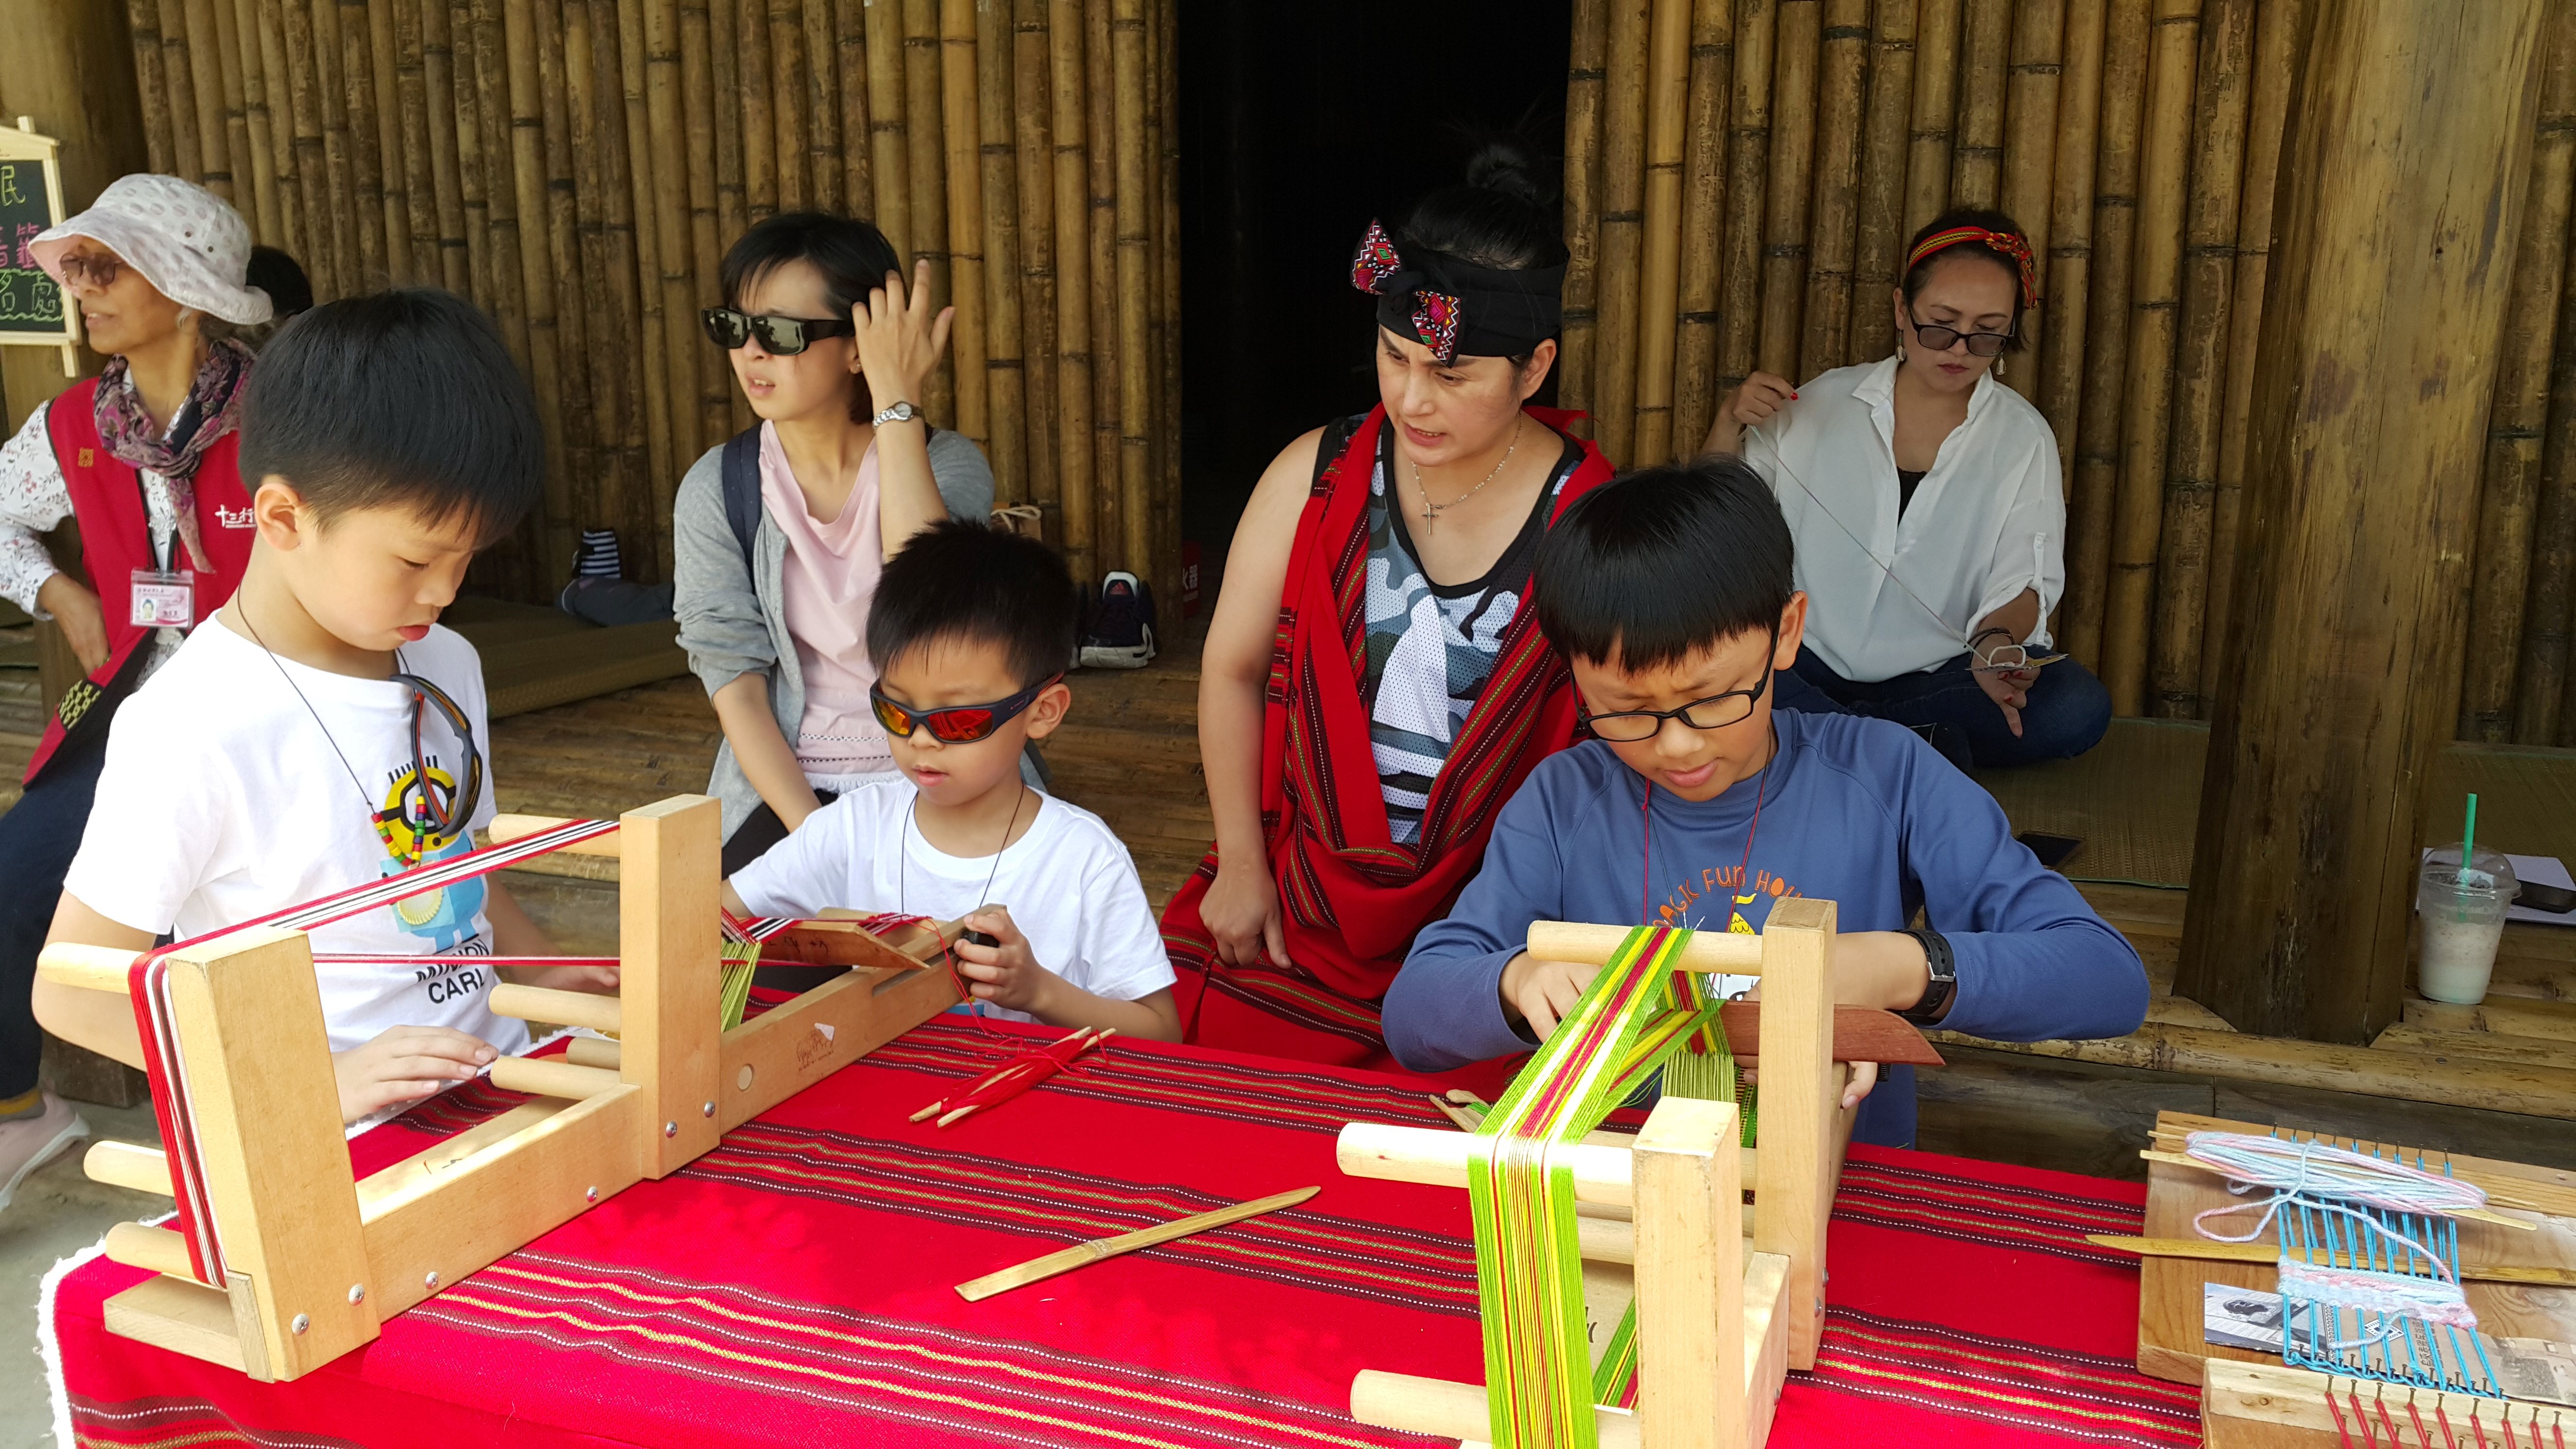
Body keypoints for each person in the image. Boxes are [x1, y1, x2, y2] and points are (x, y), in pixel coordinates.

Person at [1382, 457, 2147, 1146]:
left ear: (1786, 634)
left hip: (1838, 1193)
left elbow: (2107, 978)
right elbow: (1413, 1015)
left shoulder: (1887, 776)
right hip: (1622, 1183)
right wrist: (1517, 982)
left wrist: (1902, 969)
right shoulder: (1562, 802)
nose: (1676, 745)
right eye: (1625, 709)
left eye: (1712, 699)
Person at [30, 289, 616, 1127]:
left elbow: (460, 867)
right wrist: (317, 1080)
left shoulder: (447, 660)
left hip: (498, 1093)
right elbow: (73, 988)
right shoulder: (192, 724)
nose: (446, 591)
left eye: (466, 557)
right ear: (282, 516)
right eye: (416, 558)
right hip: (333, 1150)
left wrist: (539, 966)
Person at [1161, 145, 1616, 1071]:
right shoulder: (1316, 473)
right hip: (1299, 897)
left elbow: (1614, 746)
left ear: (1535, 367)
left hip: (1496, 920)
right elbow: (1233, 667)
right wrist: (1243, 865)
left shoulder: (1588, 516)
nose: (1413, 398)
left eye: (1452, 377)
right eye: (1393, 355)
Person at [0, 175, 274, 1207]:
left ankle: (246, 1151)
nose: (83, 290)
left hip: (263, 719)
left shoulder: (286, 415)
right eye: (76, 268)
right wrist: (61, 592)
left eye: (104, 266)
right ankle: (23, 1114)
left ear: (185, 283)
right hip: (127, 713)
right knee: (12, 883)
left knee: (218, 927)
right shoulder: (76, 421)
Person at [723, 520, 1179, 1040]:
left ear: (1042, 712)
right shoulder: (853, 829)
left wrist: (1039, 992)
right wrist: (626, 964)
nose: (921, 740)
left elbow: (1162, 1033)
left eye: (958, 721)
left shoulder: (1082, 859)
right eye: (896, 712)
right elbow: (716, 914)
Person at [1703, 207, 2110, 771]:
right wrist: (1728, 421)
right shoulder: (1817, 404)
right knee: (1710, 663)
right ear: (1901, 309)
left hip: (1935, 677)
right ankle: (1905, 751)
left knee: (2073, 706)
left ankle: (1837, 744)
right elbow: (1712, 527)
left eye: (1987, 333)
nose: (1959, 350)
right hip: (1796, 659)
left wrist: (1996, 649)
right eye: (1940, 324)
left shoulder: (2022, 437)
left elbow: (2024, 579)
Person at [671, 211, 998, 876]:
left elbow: (933, 612)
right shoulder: (719, 488)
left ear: (860, 346)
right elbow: (733, 680)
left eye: (780, 333)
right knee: (740, 974)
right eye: (734, 327)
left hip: (941, 779)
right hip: (789, 793)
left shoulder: (950, 466)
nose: (751, 353)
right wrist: (816, 837)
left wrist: (897, 402)